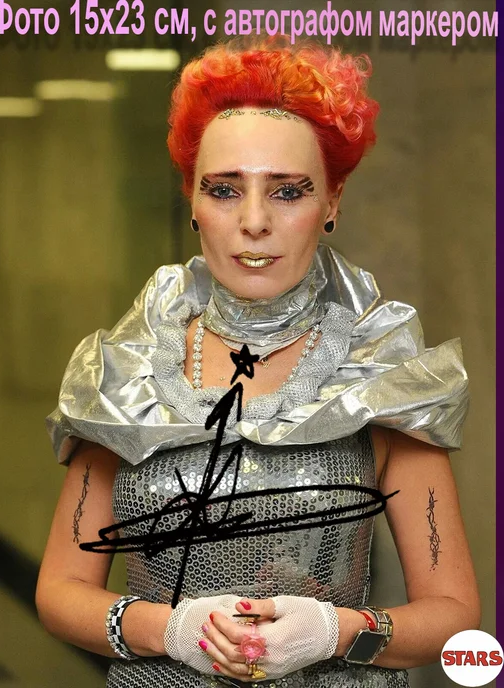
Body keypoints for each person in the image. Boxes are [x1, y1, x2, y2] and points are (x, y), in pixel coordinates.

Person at [36, 36, 480, 688]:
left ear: (332, 201)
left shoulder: (380, 373)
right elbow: (60, 589)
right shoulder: (127, 373)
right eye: (223, 189)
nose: (253, 221)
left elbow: (453, 613)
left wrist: (336, 632)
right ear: (191, 199)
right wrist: (169, 629)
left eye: (288, 191)